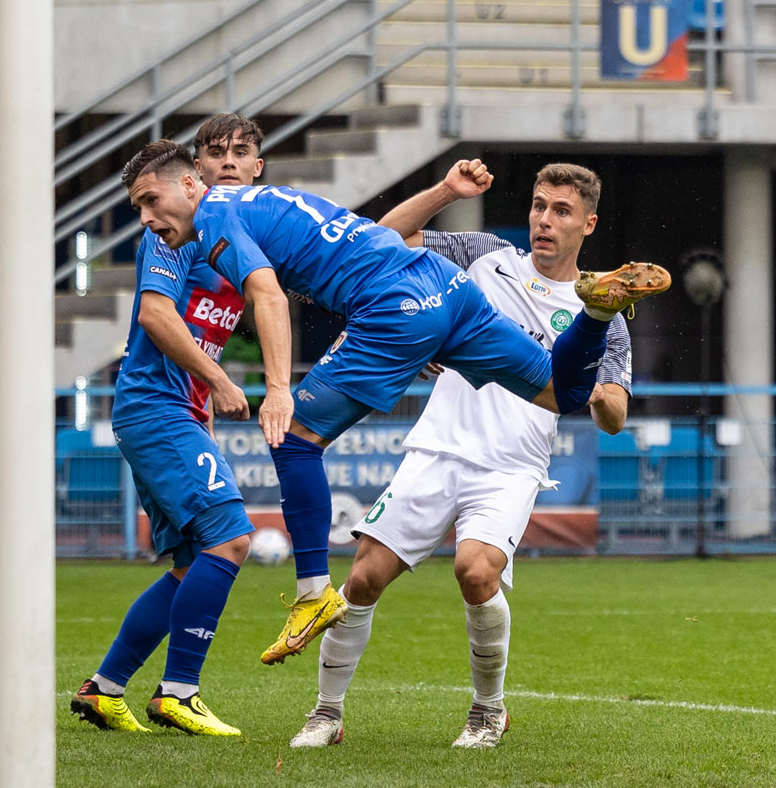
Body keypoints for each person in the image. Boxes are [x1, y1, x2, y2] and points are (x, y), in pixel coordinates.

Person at [121, 146, 670, 668]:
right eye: (138, 207)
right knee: (564, 392)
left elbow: (265, 294)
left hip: (394, 305)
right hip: (444, 288)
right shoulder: (263, 199)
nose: (147, 217)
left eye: (151, 201)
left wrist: (280, 389)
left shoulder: (215, 212)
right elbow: (380, 235)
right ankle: (594, 315)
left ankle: (313, 592)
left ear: (193, 182)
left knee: (294, 439)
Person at [290, 161, 633, 751]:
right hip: (439, 447)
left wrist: (598, 394)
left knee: (476, 572)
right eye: (538, 206)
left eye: (561, 211)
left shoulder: (602, 305)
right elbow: (385, 238)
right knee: (364, 578)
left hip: (512, 464)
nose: (544, 221)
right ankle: (326, 713)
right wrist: (447, 191)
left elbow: (615, 418)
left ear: (589, 224)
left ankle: (487, 711)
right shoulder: (484, 254)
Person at [70, 116, 261, 738]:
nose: (227, 163)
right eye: (215, 154)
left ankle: (103, 690)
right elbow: (156, 316)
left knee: (188, 566)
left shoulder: (241, 237)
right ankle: (179, 691)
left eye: (242, 153)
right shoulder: (170, 236)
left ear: (258, 167)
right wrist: (225, 380)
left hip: (173, 410)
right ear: (195, 174)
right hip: (158, 406)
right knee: (230, 539)